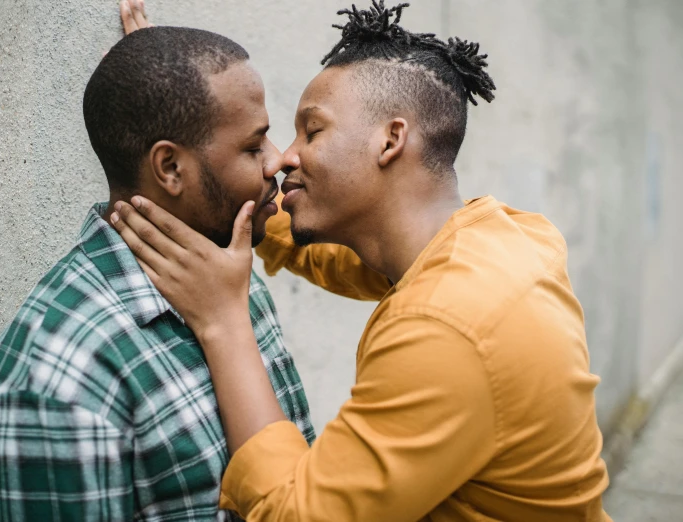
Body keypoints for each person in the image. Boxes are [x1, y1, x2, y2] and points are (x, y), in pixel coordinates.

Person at [112, 2, 613, 521]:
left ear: (390, 140)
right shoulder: (501, 241)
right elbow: (341, 260)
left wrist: (223, 320)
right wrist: (182, 121)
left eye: (313, 130)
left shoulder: (449, 323)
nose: (285, 156)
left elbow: (296, 515)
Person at [0, 20, 317, 522]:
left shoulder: (226, 270)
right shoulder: (55, 381)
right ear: (170, 169)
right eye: (252, 145)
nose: (277, 161)